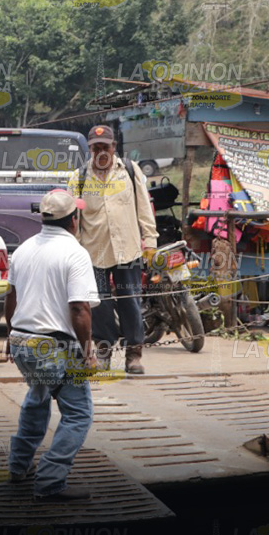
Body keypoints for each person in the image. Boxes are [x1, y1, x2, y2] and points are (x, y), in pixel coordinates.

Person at [4, 189, 100, 502]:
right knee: (79, 413)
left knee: (38, 398)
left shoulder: (24, 249)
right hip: (53, 347)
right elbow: (79, 309)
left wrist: (11, 336)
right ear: (73, 220)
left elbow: (11, 298)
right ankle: (50, 481)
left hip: (23, 341)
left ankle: (19, 466)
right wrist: (87, 351)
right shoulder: (75, 253)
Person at [76, 125, 158, 374]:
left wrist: (150, 241)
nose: (101, 152)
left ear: (114, 147)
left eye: (105, 147)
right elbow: (74, 219)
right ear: (90, 149)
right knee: (99, 304)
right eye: (96, 148)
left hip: (128, 250)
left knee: (130, 302)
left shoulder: (130, 171)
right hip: (94, 252)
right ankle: (103, 352)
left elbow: (144, 208)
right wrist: (74, 250)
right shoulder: (79, 177)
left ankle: (134, 355)